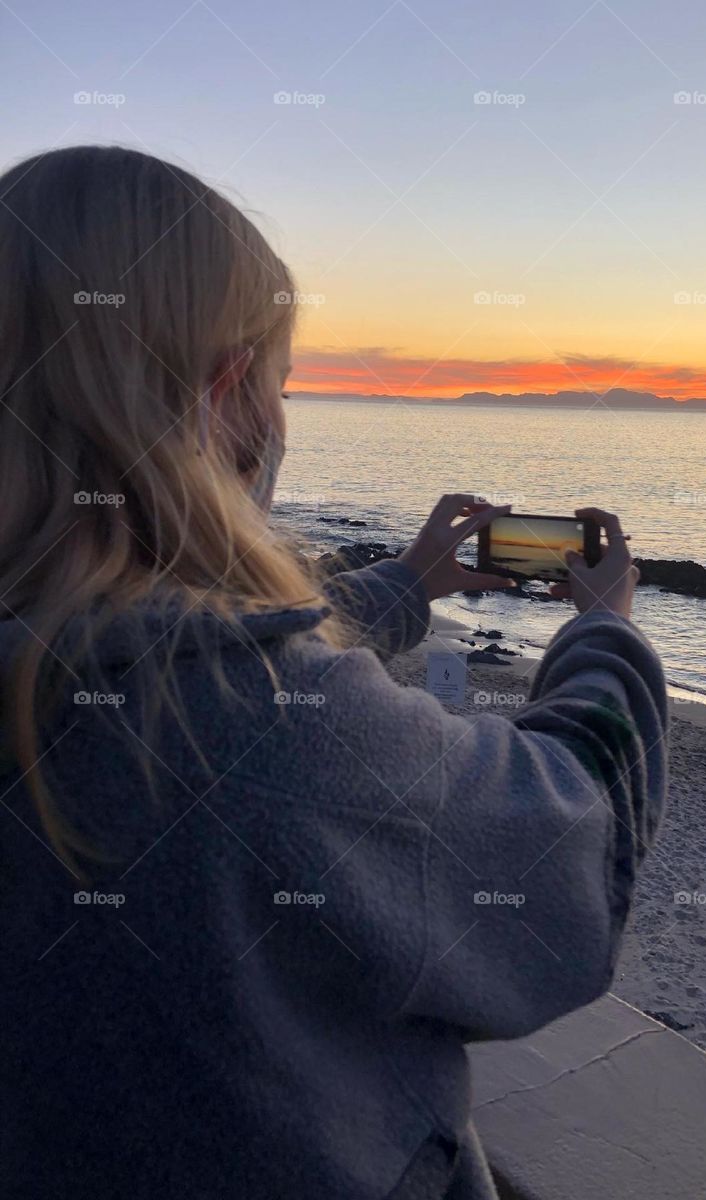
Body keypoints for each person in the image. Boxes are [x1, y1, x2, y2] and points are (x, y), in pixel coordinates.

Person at [0, 145, 668, 1200]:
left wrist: (406, 584)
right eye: (280, 381)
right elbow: (557, 854)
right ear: (225, 401)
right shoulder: (244, 724)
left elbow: (172, 644)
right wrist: (606, 635)